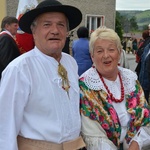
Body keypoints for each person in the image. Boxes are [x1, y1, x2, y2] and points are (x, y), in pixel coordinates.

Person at [0, 0, 86, 150]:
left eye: (61, 25)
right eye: (47, 24)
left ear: (67, 31)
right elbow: (5, 128)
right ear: (34, 31)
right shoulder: (20, 69)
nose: (55, 30)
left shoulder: (71, 63)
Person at [79, 27, 150, 150]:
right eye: (99, 51)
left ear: (119, 53)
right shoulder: (85, 86)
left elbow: (145, 119)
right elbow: (92, 136)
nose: (106, 55)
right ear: (92, 56)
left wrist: (136, 144)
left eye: (111, 50)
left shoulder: (130, 79)